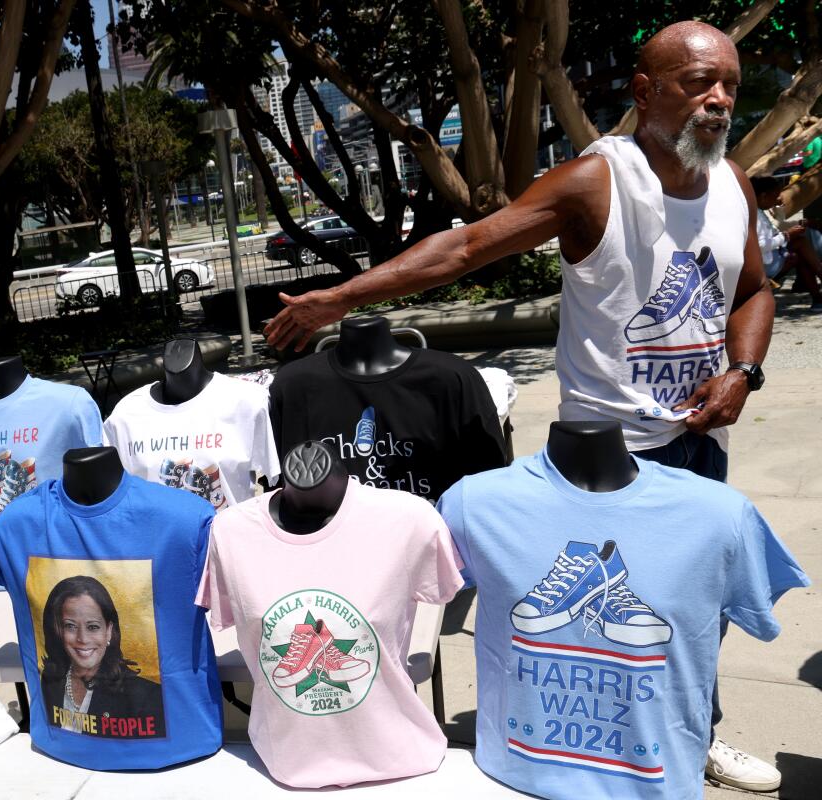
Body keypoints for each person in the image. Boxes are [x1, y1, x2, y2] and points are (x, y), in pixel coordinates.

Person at [265, 21, 780, 792]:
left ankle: (693, 737)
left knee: (690, 614)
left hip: (698, 445)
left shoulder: (732, 185)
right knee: (594, 624)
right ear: (644, 93)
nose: (719, 99)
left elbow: (753, 291)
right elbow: (466, 249)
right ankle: (574, 748)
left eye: (730, 85)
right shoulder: (597, 183)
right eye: (699, 82)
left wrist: (741, 371)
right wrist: (337, 299)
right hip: (608, 458)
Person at [39, 576, 165, 738]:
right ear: (58, 631)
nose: (82, 639)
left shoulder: (147, 697)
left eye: (93, 627)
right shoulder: (50, 680)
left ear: (109, 631)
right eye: (70, 626)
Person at [752, 176, 822, 306]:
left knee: (801, 248)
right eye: (774, 196)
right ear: (763, 196)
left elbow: (778, 224)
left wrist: (777, 207)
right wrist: (786, 236)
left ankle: (818, 299)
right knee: (801, 245)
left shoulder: (759, 210)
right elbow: (761, 245)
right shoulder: (754, 216)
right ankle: (818, 295)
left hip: (773, 255)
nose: (777, 199)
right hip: (767, 263)